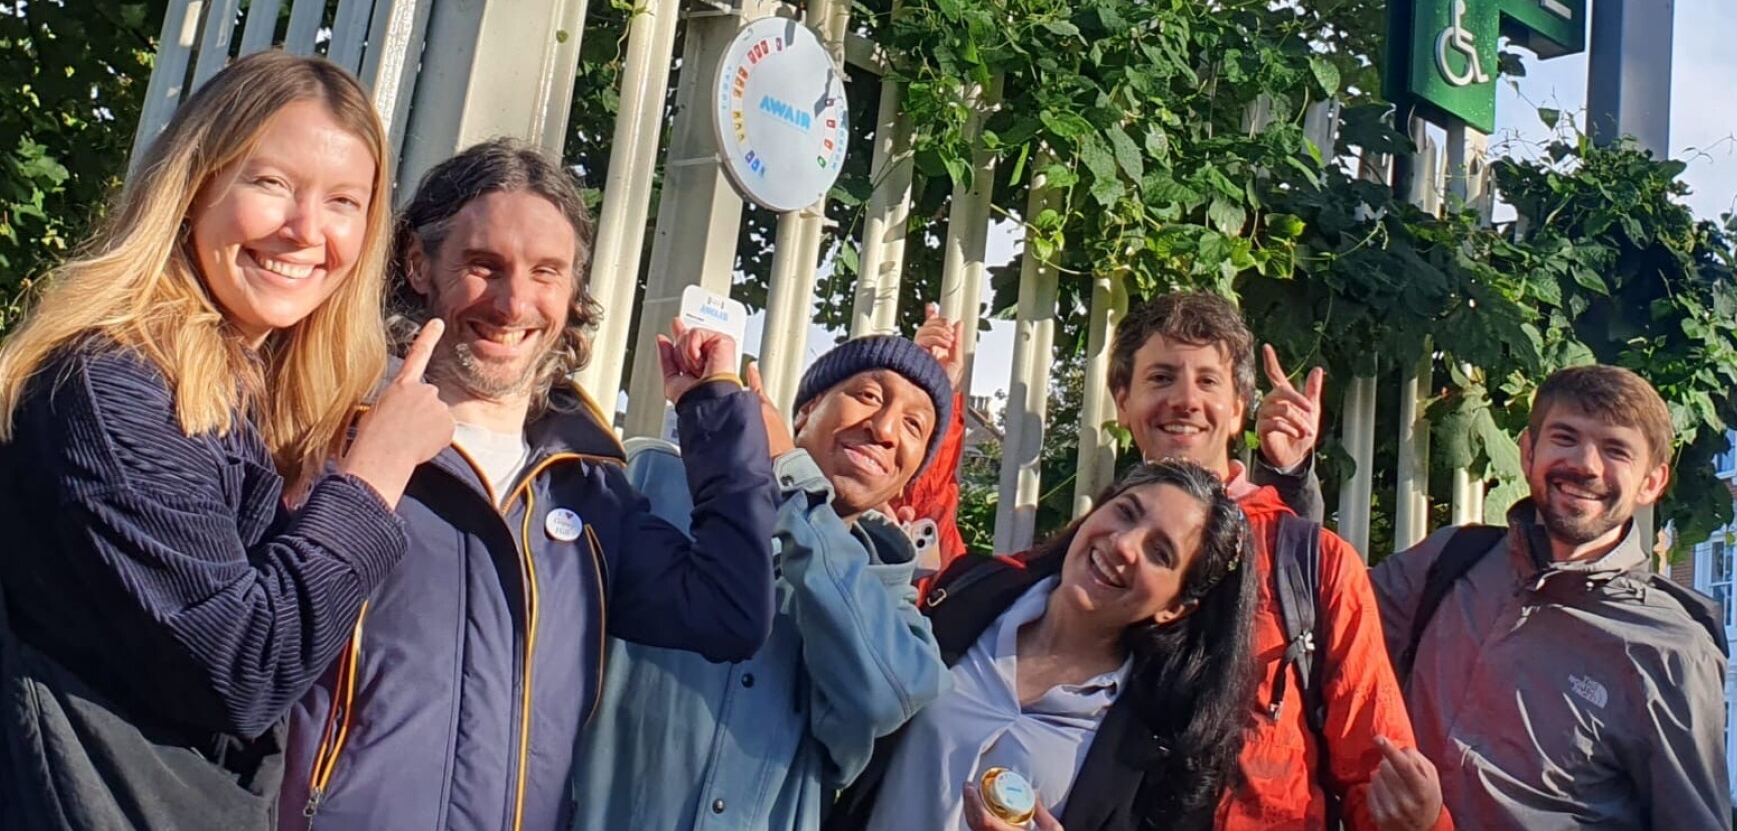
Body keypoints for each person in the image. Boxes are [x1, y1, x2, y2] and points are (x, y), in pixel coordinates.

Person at [0, 50, 453, 831]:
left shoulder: (259, 396)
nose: (306, 231)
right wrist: (375, 475)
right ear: (193, 185)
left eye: (343, 202)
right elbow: (242, 664)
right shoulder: (109, 388)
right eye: (270, 183)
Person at [281, 139, 780, 831]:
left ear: (572, 293)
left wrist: (715, 410)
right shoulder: (327, 435)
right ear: (419, 264)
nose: (514, 302)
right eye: (484, 266)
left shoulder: (589, 487)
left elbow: (731, 613)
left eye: (547, 272)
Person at [575, 317, 960, 831]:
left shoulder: (893, 606)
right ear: (806, 410)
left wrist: (794, 483)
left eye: (914, 426)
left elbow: (883, 695)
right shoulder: (655, 480)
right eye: (868, 395)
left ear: (910, 472)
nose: (885, 430)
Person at [1106, 292, 1447, 831]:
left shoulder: (1314, 561)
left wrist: (1418, 820)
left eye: (1208, 381)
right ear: (1122, 402)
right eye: (1161, 377)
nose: (1185, 400)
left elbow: (1376, 767)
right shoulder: (1094, 547)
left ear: (1238, 409)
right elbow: (984, 609)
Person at [1371, 364, 1730, 830]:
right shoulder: (1449, 560)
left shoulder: (1670, 650)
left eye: (1616, 449)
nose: (1585, 465)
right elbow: (1315, 617)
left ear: (1651, 483)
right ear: (1528, 452)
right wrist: (1292, 475)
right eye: (1565, 437)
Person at [827, 460, 1258, 831]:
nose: (1125, 545)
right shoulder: (966, 595)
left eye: (1160, 552)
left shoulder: (1163, 747)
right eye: (1126, 512)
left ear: (1176, 607)